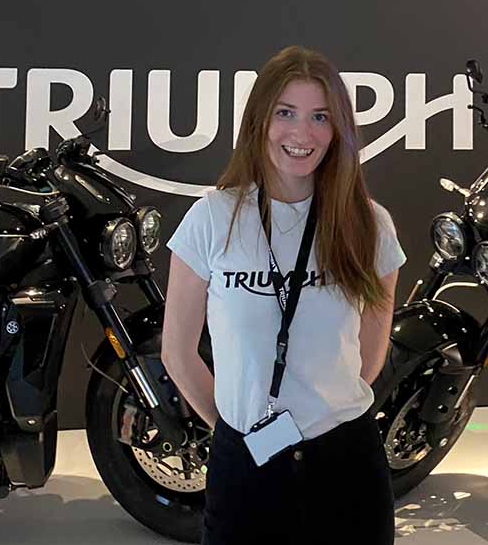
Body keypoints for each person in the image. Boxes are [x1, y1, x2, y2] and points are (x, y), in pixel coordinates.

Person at [161, 45, 406, 545]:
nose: (303, 133)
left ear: (338, 129)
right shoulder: (212, 218)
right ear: (259, 121)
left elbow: (373, 342)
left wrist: (323, 413)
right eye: (286, 113)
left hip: (347, 462)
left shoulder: (368, 223)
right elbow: (178, 352)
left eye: (320, 116)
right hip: (245, 466)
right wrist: (235, 429)